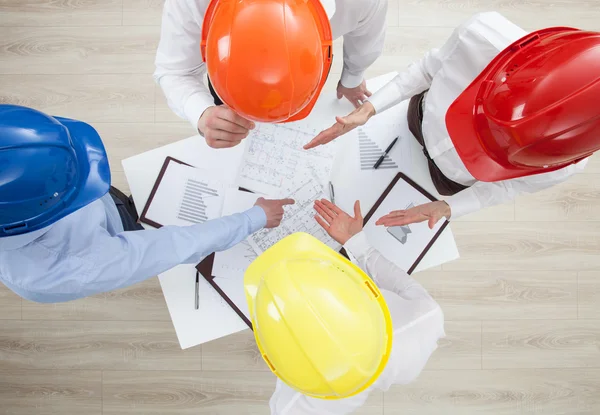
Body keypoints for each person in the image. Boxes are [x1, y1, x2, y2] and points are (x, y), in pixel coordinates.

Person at [304, 12, 600, 229]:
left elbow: (506, 188)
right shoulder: (481, 35)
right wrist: (369, 109)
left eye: (495, 152)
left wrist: (446, 206)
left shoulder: (561, 162)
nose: (473, 145)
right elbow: (426, 71)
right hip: (417, 116)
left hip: (446, 180)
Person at [0, 105, 294, 303]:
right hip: (113, 233)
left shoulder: (21, 156)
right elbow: (175, 245)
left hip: (99, 213)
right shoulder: (59, 271)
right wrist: (254, 218)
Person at [244, 199, 444, 414]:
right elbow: (397, 282)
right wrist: (354, 241)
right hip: (407, 360)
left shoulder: (309, 397)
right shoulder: (425, 316)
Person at [154, 0, 388, 148]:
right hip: (227, 84)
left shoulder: (361, 3)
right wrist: (202, 112)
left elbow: (365, 38)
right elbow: (175, 70)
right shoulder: (190, 3)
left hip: (309, 70)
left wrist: (352, 77)